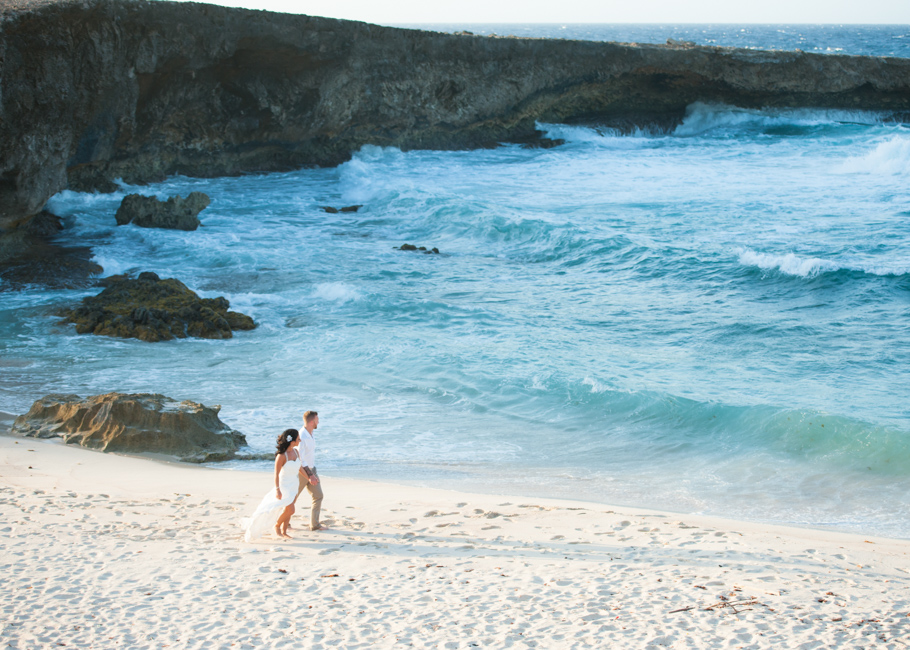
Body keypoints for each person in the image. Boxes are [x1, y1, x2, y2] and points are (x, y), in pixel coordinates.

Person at [242, 429, 303, 542]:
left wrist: (310, 477)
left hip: (294, 484)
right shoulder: (281, 456)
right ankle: (277, 526)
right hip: (284, 486)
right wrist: (277, 490)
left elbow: (300, 467)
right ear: (292, 441)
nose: (300, 440)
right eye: (298, 438)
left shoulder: (296, 452)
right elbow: (276, 474)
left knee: (288, 510)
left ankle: (284, 531)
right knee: (291, 510)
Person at [293, 410, 326, 531]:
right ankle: (284, 522)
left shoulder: (311, 433)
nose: (319, 422)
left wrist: (313, 472)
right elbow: (300, 458)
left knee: (318, 495)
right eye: (317, 420)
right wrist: (310, 475)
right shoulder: (301, 436)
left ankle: (315, 525)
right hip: (302, 472)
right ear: (312, 422)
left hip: (312, 469)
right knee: (292, 498)